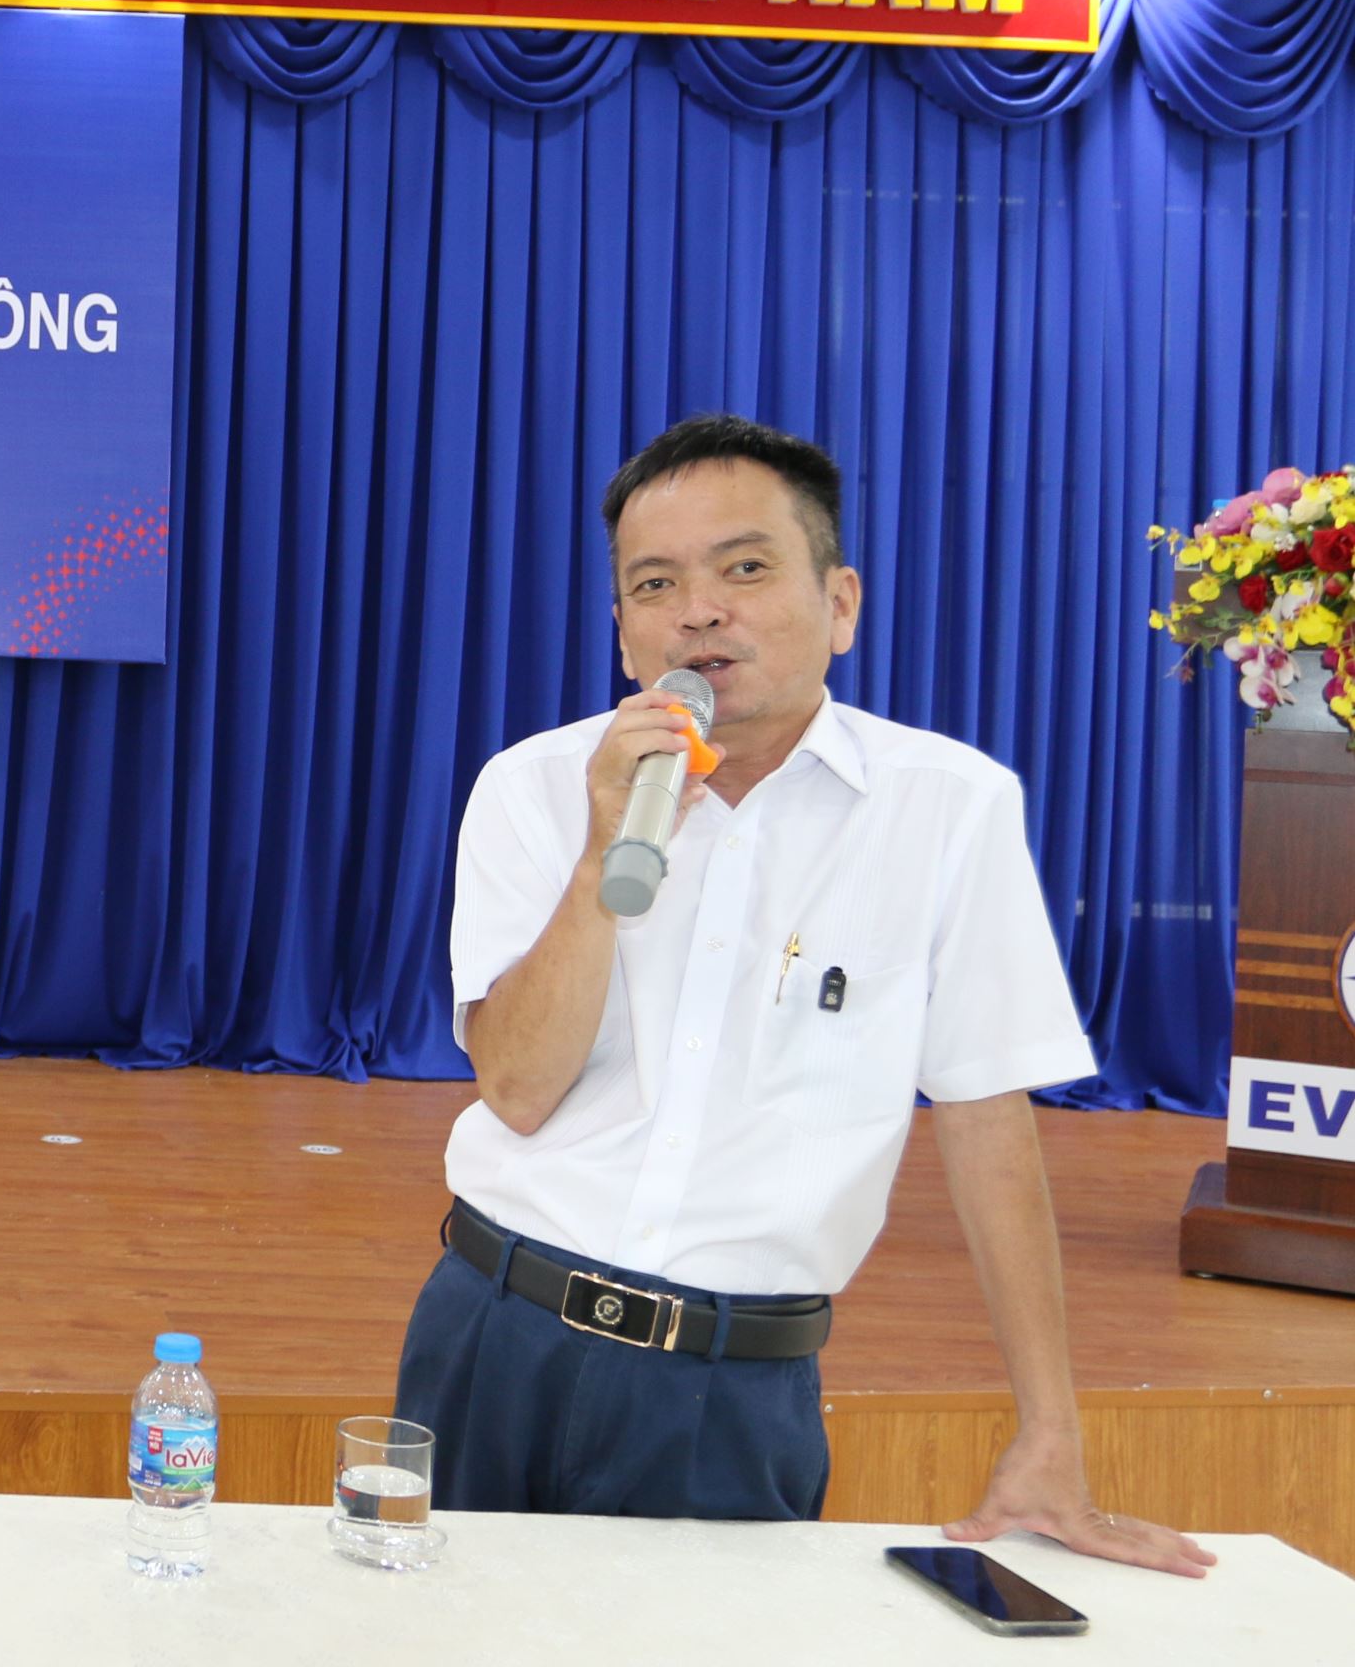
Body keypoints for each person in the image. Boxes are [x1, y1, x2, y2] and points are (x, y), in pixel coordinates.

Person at [393, 412, 1212, 1575]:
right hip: (493, 1335)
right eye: (654, 584)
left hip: (729, 1391)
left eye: (744, 568)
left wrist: (1051, 1430)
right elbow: (517, 1087)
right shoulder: (532, 787)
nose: (697, 611)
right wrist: (601, 854)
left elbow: (985, 1116)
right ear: (624, 635)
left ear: (841, 604)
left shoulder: (949, 807)